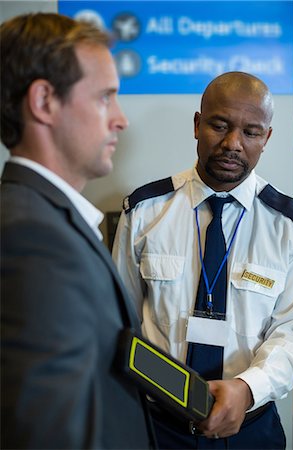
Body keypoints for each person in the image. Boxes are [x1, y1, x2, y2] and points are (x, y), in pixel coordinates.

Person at [112, 71, 293, 449]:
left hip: (251, 429)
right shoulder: (146, 212)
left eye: (251, 132)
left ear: (267, 138)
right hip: (155, 426)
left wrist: (247, 389)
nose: (233, 144)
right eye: (220, 125)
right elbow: (120, 322)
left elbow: (292, 333)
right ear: (198, 125)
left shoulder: (288, 227)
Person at [0, 12, 156, 450]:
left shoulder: (46, 220)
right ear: (45, 101)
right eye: (106, 97)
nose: (121, 119)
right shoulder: (32, 238)